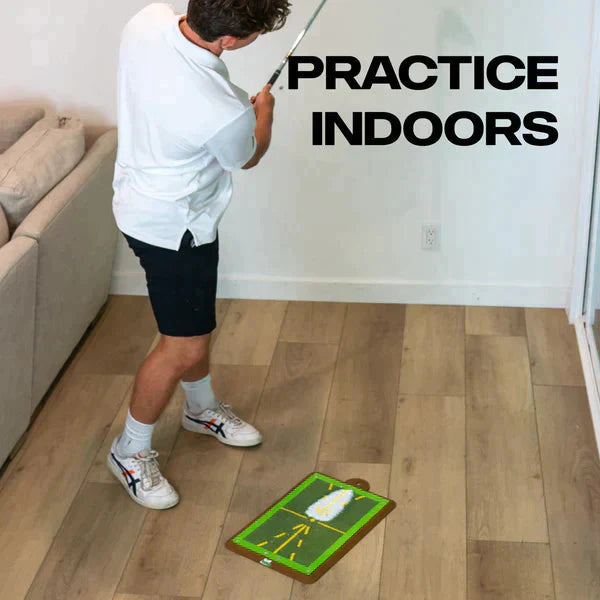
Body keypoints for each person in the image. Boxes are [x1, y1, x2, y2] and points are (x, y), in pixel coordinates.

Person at [107, 0, 291, 510]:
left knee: (195, 326)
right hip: (176, 229)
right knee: (183, 347)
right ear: (230, 40)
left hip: (141, 202)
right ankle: (129, 450)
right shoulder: (224, 111)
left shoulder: (146, 22)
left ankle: (200, 408)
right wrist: (264, 114)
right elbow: (247, 155)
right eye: (255, 32)